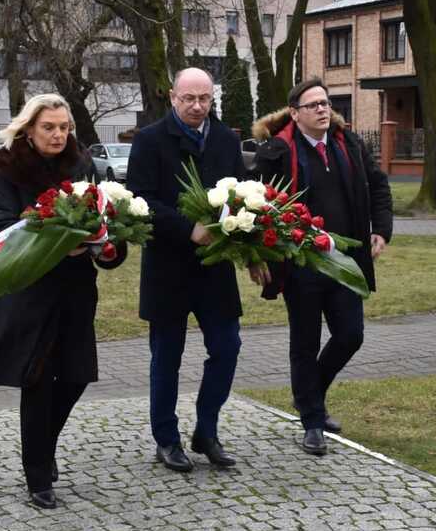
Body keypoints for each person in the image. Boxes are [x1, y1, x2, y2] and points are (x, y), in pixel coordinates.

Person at [0, 93, 126, 509]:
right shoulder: (7, 167)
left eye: (64, 127)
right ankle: (38, 475)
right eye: (49, 127)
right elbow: (2, 223)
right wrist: (57, 243)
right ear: (29, 128)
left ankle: (43, 446)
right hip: (29, 289)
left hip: (76, 291)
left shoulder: (81, 164)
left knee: (77, 375)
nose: (59, 134)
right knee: (38, 381)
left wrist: (107, 245)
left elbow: (102, 217)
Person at [250, 77, 393, 455]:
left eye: (326, 103)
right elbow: (256, 208)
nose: (322, 109)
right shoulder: (276, 152)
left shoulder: (350, 145)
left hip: (345, 260)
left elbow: (378, 186)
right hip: (300, 264)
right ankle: (312, 421)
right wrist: (260, 257)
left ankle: (309, 394)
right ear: (295, 114)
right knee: (305, 341)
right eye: (313, 105)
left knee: (351, 334)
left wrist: (381, 229)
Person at [126, 67, 247, 473]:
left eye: (205, 99)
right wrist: (187, 230)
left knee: (228, 347)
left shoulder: (228, 140)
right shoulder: (149, 140)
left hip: (215, 269)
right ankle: (167, 438)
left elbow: (243, 195)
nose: (197, 106)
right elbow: (139, 201)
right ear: (173, 98)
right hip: (168, 268)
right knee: (166, 357)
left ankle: (207, 430)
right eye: (189, 99)